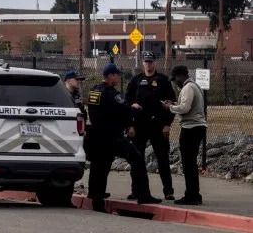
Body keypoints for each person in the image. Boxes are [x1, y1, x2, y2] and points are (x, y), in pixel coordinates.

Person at [86, 63, 162, 212]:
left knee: (99, 167)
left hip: (96, 136)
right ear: (110, 76)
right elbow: (124, 111)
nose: (118, 78)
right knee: (137, 158)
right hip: (112, 136)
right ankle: (143, 194)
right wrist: (135, 109)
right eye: (117, 75)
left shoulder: (94, 91)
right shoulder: (111, 94)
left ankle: (96, 199)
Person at [125, 51, 177, 200]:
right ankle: (136, 190)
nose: (148, 65)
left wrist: (168, 124)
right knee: (136, 158)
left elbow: (171, 103)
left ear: (155, 63)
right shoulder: (135, 81)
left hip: (158, 126)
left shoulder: (163, 80)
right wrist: (130, 125)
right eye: (146, 62)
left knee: (162, 159)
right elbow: (126, 103)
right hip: (139, 126)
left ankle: (168, 191)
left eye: (151, 62)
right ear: (143, 63)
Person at [164, 65, 207, 205]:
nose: (175, 82)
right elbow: (186, 104)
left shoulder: (188, 88)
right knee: (191, 163)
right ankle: (195, 194)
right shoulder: (195, 86)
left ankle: (191, 195)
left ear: (181, 76)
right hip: (197, 126)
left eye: (175, 79)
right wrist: (175, 103)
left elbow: (184, 108)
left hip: (191, 127)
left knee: (188, 163)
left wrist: (169, 107)